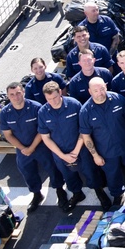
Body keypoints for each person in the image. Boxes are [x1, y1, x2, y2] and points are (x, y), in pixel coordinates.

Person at [1, 82, 65, 212]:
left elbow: (42, 130)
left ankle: (59, 190)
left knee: (52, 168)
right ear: (8, 96)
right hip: (22, 149)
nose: (16, 96)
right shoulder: (5, 113)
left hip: (41, 146)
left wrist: (31, 147)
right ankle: (37, 194)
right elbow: (8, 134)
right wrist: (23, 148)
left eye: (18, 93)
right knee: (27, 172)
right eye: (12, 94)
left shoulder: (36, 108)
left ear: (23, 92)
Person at [80, 78, 125, 211]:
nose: (100, 93)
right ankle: (117, 194)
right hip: (106, 150)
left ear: (106, 86)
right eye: (96, 90)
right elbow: (86, 136)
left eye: (102, 88)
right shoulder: (85, 111)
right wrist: (95, 155)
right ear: (90, 91)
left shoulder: (119, 99)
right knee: (112, 174)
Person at [37, 82, 96, 211]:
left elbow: (84, 129)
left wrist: (75, 151)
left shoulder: (74, 105)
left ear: (60, 92)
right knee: (68, 176)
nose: (53, 101)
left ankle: (98, 191)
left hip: (80, 149)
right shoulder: (43, 112)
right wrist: (62, 155)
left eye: (55, 97)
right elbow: (45, 137)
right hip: (60, 152)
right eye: (49, 99)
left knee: (90, 171)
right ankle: (77, 193)